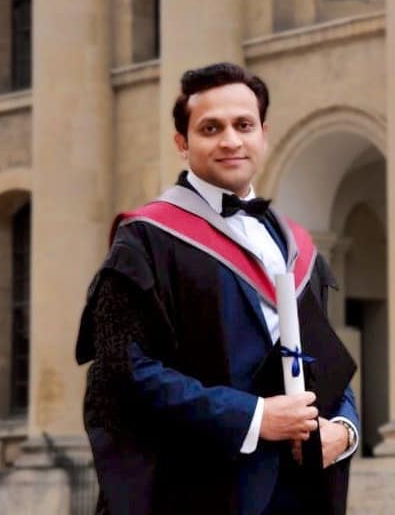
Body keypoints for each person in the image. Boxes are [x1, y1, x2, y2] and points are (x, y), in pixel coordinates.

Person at [76, 62, 359, 515]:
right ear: (182, 143)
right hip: (197, 491)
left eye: (243, 125)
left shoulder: (295, 244)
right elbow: (123, 371)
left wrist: (344, 429)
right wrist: (255, 418)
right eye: (211, 128)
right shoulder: (145, 239)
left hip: (296, 494)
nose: (230, 140)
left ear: (263, 134)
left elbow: (324, 360)